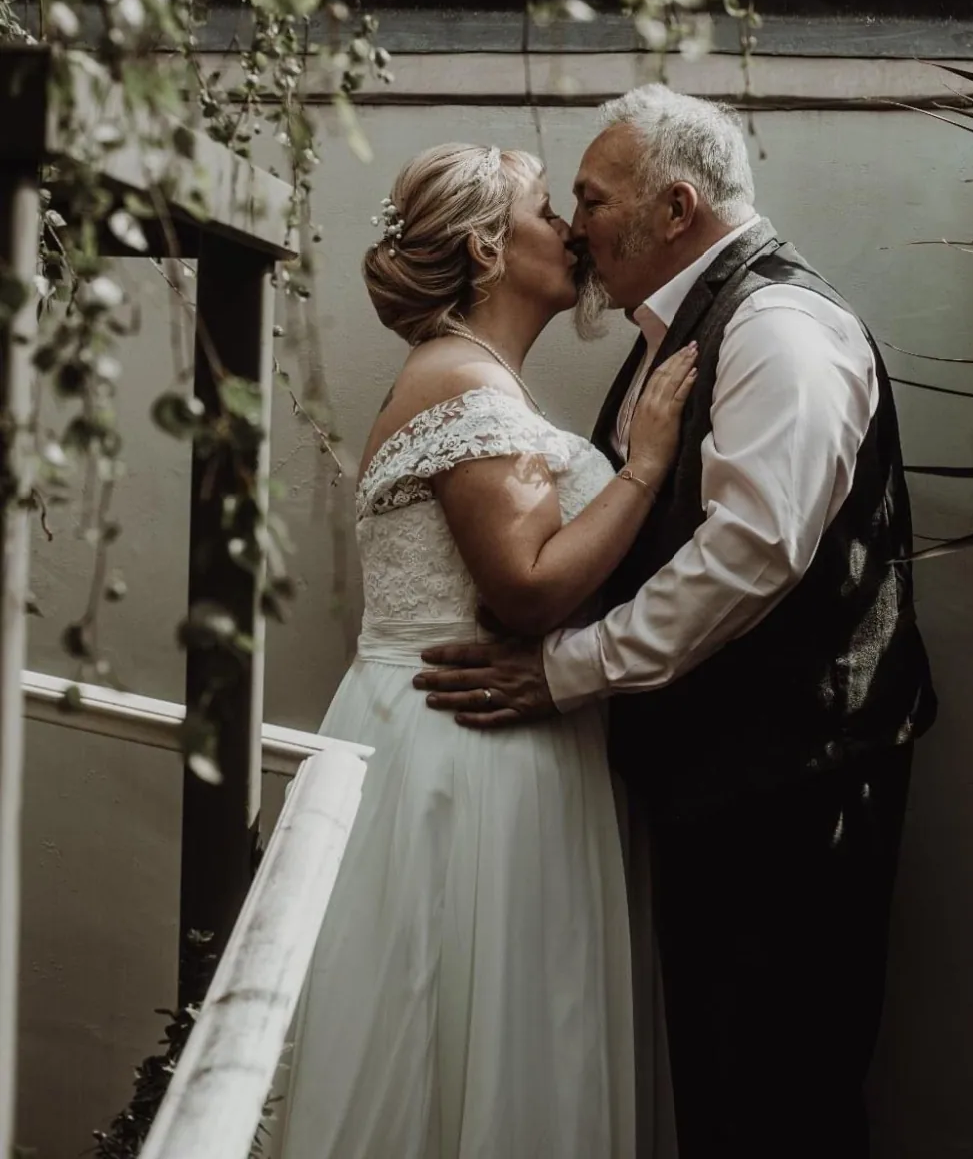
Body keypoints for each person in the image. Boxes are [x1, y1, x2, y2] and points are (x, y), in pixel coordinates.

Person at [414, 86, 936, 1159]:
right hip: (720, 781)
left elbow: (752, 552)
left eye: (595, 199)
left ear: (677, 208)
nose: (575, 221)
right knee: (720, 1085)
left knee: (783, 1094)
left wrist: (567, 671)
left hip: (796, 784)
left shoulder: (779, 331)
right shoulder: (681, 330)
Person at [278, 140, 697, 1159]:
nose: (568, 229)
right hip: (467, 757)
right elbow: (523, 588)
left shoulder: (472, 376)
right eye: (545, 208)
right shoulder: (466, 384)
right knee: (455, 1030)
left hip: (464, 733)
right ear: (484, 246)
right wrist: (643, 468)